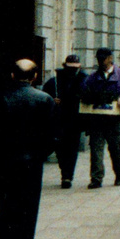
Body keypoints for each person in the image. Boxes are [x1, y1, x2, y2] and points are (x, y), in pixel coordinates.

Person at [0, 59, 55, 239]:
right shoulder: (44, 100)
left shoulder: (0, 99)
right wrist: (39, 155)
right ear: (35, 76)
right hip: (31, 165)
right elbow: (51, 137)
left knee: (5, 211)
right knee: (26, 215)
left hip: (6, 163)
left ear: (12, 75)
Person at [81, 48, 120, 188]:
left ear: (110, 58)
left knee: (115, 148)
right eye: (98, 59)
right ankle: (96, 178)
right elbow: (84, 92)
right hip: (97, 119)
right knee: (96, 149)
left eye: (103, 58)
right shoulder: (92, 77)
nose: (100, 61)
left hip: (114, 119)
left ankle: (119, 174)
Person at [41, 55, 86, 188]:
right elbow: (44, 97)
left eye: (75, 68)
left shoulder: (84, 80)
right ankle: (64, 172)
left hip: (75, 120)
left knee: (72, 149)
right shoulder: (54, 82)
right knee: (60, 148)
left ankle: (67, 176)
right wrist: (52, 100)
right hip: (58, 120)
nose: (72, 71)